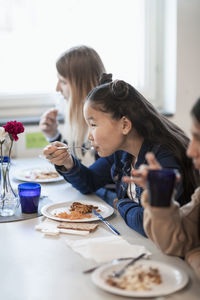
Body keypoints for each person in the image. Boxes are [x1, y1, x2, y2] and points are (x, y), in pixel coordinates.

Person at [43, 74, 199, 237]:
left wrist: (121, 203)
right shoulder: (121, 151)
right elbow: (89, 183)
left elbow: (152, 225)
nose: (90, 136)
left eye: (94, 125)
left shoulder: (163, 159)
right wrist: (67, 162)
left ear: (125, 125)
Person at [124, 98, 200, 279]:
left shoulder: (164, 154)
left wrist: (194, 254)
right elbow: (175, 242)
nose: (190, 151)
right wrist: (160, 198)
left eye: (199, 138)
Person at [39, 45, 116, 202]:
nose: (57, 88)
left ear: (80, 85)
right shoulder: (90, 120)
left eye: (63, 81)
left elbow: (90, 181)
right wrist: (54, 136)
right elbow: (82, 164)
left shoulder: (109, 125)